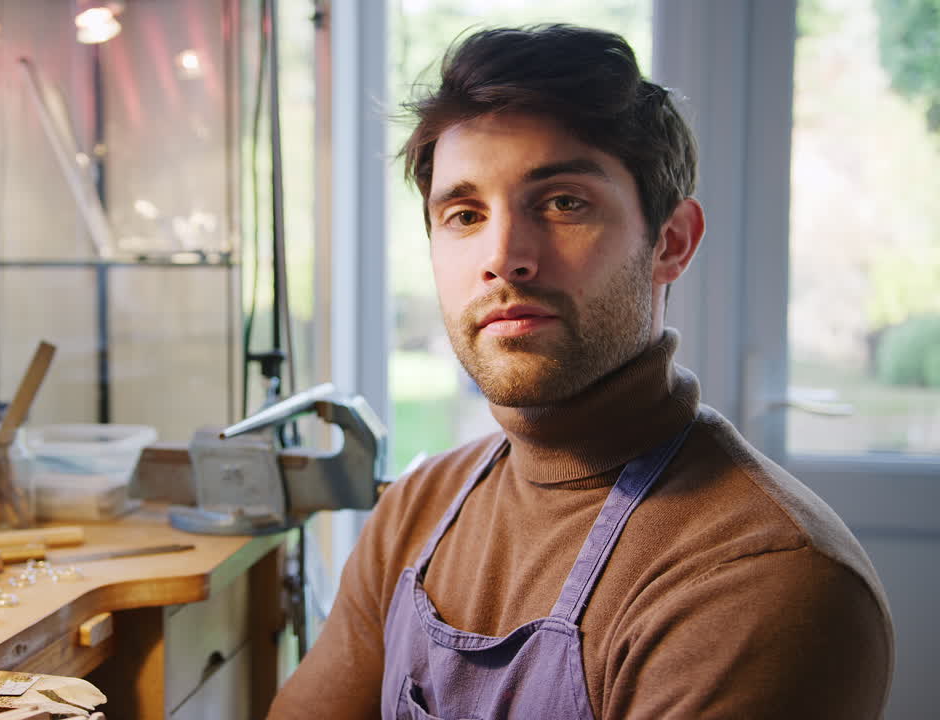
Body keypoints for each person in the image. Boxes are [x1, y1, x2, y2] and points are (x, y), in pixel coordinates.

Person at [267, 24, 892, 720]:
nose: (503, 257)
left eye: (563, 202)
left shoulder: (763, 577)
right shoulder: (418, 509)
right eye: (465, 214)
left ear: (671, 242)